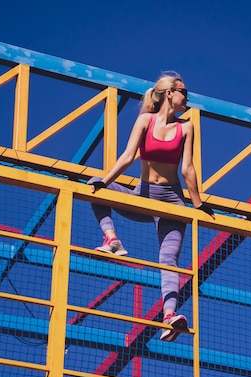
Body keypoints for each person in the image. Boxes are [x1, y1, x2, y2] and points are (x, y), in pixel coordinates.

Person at [88, 71, 214, 342]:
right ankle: (111, 239)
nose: (187, 98)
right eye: (183, 92)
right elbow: (128, 156)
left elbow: (188, 168)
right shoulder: (145, 120)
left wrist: (198, 204)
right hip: (143, 197)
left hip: (172, 202)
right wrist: (105, 182)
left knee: (168, 260)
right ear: (170, 93)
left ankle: (169, 317)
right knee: (94, 183)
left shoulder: (186, 127)